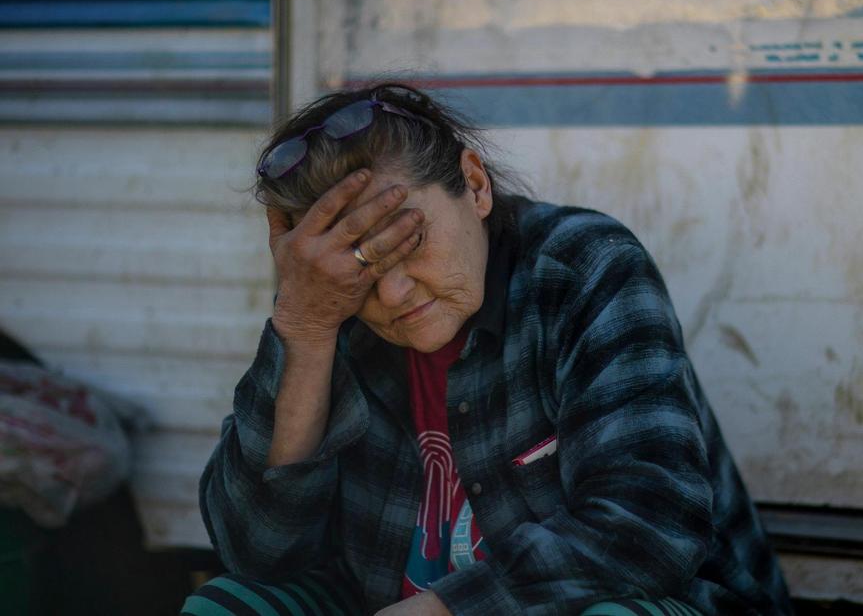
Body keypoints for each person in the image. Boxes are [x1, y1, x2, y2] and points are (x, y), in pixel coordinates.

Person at [184, 82, 793, 616]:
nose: (393, 292)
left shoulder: (581, 268)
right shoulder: (331, 301)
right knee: (225, 606)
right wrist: (306, 325)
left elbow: (648, 527)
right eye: (363, 265)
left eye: (410, 240)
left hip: (604, 602)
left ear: (474, 186)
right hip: (382, 599)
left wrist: (449, 607)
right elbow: (258, 552)